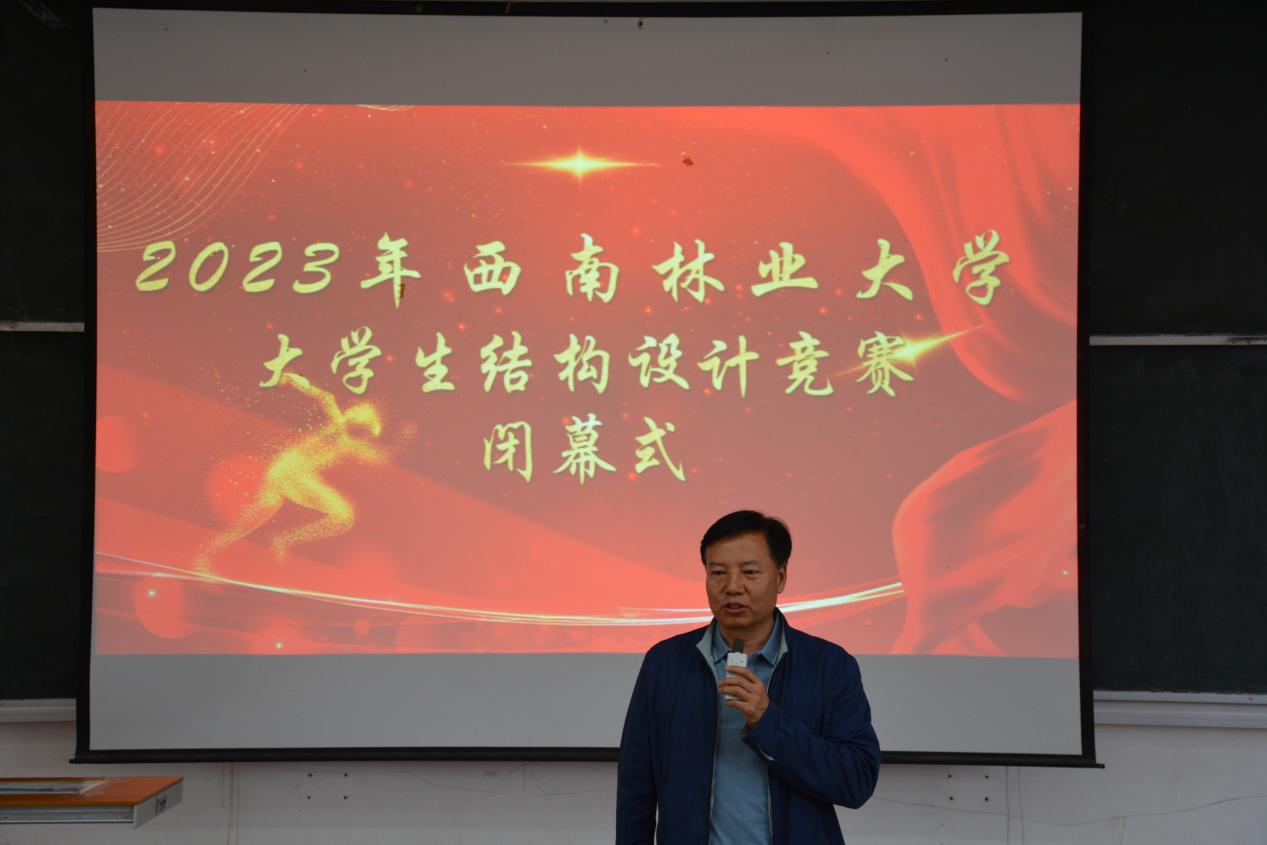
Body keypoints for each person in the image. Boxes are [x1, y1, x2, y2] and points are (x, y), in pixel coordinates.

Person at [616, 510, 880, 844]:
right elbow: (636, 786)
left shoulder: (829, 666)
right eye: (718, 573)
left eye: (750, 572)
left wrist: (768, 721)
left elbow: (855, 782)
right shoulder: (666, 663)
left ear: (780, 577)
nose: (732, 587)